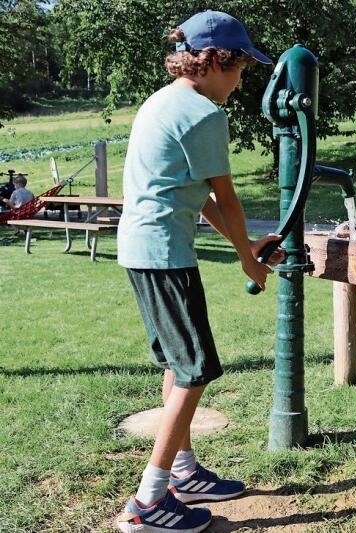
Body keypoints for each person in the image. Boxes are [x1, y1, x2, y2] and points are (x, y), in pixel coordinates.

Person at [115, 11, 284, 533]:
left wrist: (244, 248)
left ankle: (184, 472)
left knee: (176, 362)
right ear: (215, 61)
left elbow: (202, 196)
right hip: (164, 253)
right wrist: (250, 259)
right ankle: (147, 502)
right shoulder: (204, 114)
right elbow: (229, 200)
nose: (241, 81)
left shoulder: (164, 101)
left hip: (141, 248)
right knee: (195, 371)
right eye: (240, 69)